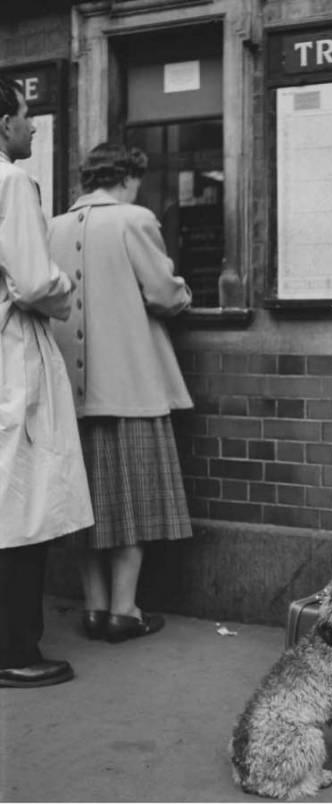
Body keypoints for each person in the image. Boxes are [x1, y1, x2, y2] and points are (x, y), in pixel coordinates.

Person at [49, 143, 194, 644]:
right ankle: (124, 610)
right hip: (129, 386)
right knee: (131, 504)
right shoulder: (135, 218)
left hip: (70, 394)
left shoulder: (54, 226)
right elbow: (164, 293)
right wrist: (185, 293)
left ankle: (93, 608)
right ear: (130, 177)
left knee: (84, 508)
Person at [0, 76, 94, 687]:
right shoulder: (10, 180)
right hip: (11, 361)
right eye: (26, 115)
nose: (32, 126)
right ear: (3, 123)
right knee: (19, 508)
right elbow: (34, 281)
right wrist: (66, 288)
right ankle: (14, 651)